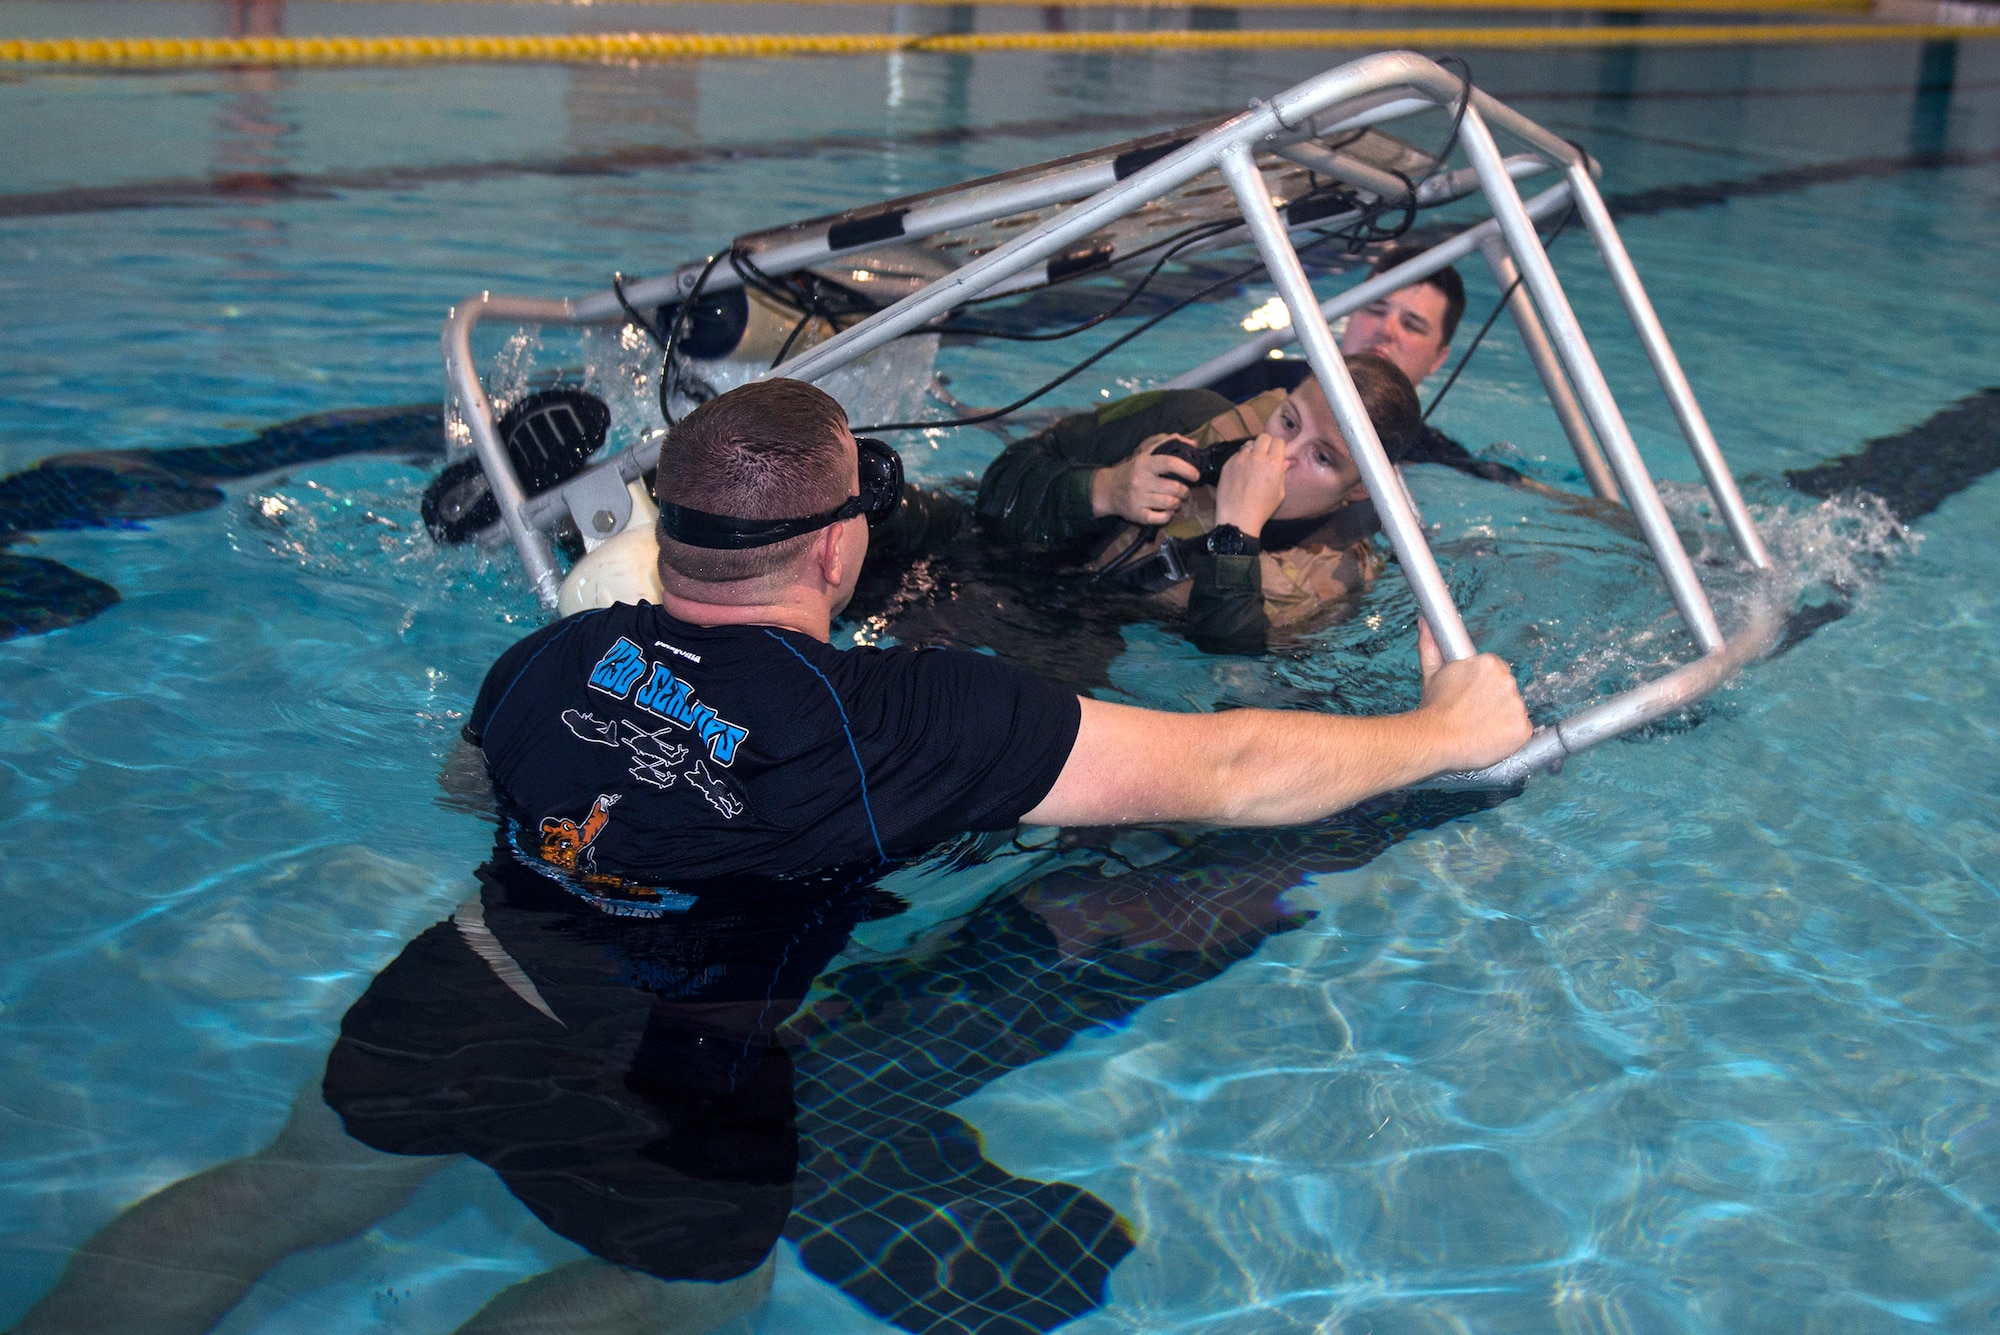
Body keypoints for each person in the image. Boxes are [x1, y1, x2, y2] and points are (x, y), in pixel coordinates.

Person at [12, 379, 1528, 1335]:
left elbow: (473, 788)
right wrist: (1446, 731)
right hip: (671, 1066)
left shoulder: (564, 654)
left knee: (285, 1188)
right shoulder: (905, 719)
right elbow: (1237, 763)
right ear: (838, 551)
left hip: (468, 978)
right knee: (694, 1288)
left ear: (668, 530)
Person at [974, 354, 1421, 653]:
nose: (1280, 454)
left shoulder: (1332, 581)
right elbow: (998, 486)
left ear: (1359, 490)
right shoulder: (1189, 419)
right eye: (1288, 421)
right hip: (986, 559)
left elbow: (1225, 658)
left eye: (1322, 457)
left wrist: (1236, 534)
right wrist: (1106, 489)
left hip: (1079, 641)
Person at [1335, 253, 1535, 487]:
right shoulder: (1282, 379)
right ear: (1349, 316)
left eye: (1411, 325)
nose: (1385, 330)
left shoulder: (1430, 454)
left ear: (1437, 360)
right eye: (1376, 310)